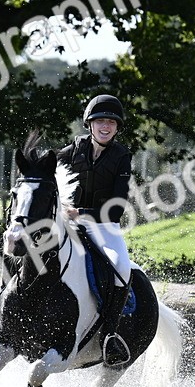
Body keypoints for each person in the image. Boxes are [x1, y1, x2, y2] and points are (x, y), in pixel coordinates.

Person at [58, 94, 134, 368]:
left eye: (111, 123)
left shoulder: (121, 157)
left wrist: (80, 213)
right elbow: (48, 176)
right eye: (100, 121)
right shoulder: (71, 152)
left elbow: (116, 209)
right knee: (29, 244)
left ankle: (110, 334)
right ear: (89, 124)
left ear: (117, 128)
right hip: (68, 223)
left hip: (104, 226)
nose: (105, 126)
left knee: (121, 267)